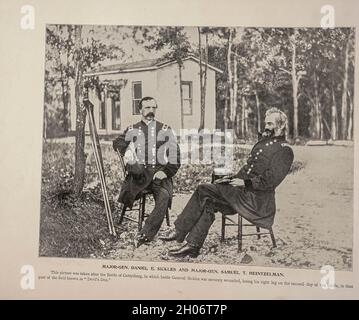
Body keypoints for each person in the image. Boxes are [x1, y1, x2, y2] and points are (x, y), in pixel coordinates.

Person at [160, 107, 294, 258]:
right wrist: (231, 178)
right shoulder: (264, 143)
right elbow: (247, 170)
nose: (266, 127)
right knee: (209, 200)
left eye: (270, 124)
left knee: (203, 189)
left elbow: (271, 180)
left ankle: (179, 230)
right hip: (242, 195)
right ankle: (193, 245)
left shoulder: (284, 150)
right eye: (266, 123)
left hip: (257, 201)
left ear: (281, 126)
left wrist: (246, 183)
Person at [113, 96, 181, 247]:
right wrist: (129, 155)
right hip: (139, 176)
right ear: (140, 110)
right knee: (138, 183)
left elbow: (175, 155)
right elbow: (117, 142)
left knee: (164, 196)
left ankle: (145, 234)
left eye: (153, 108)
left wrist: (166, 172)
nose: (150, 111)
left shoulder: (165, 129)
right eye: (147, 107)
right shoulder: (133, 129)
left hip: (159, 175)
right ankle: (147, 231)